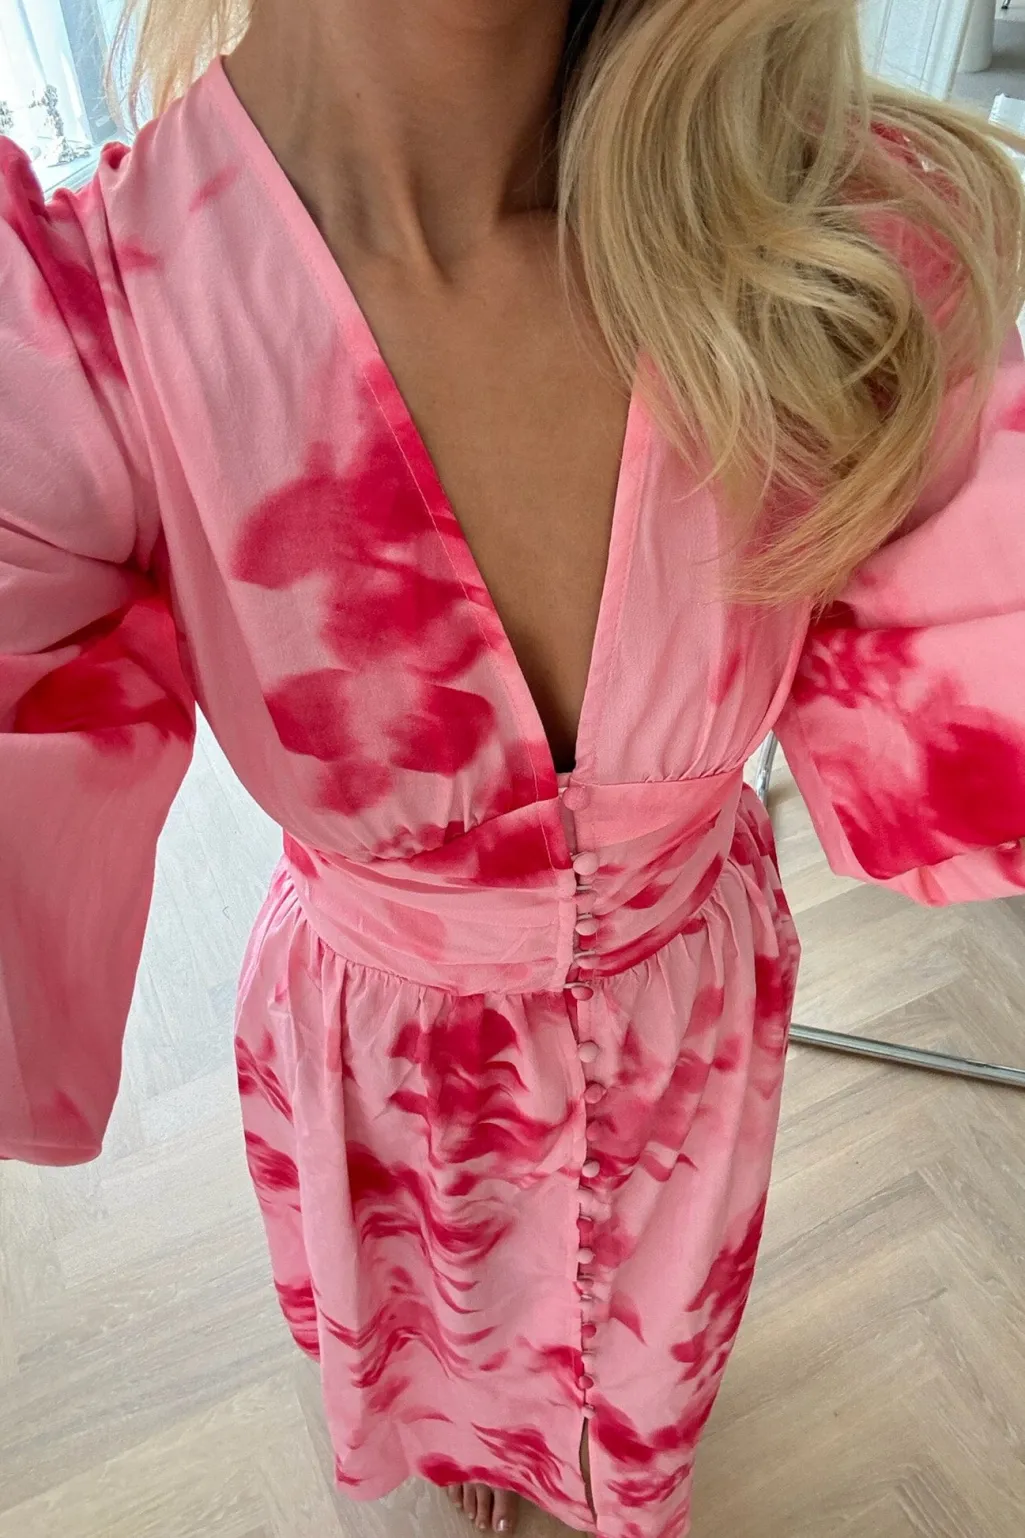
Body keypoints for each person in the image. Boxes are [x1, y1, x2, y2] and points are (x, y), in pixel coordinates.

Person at [2, 1, 1024, 1533]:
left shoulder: (841, 251)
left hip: (689, 1036)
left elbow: (969, 726)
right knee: (443, 1337)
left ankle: (608, 1458)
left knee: (652, 1363)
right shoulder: (81, 338)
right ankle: (485, 1445)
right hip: (387, 1067)